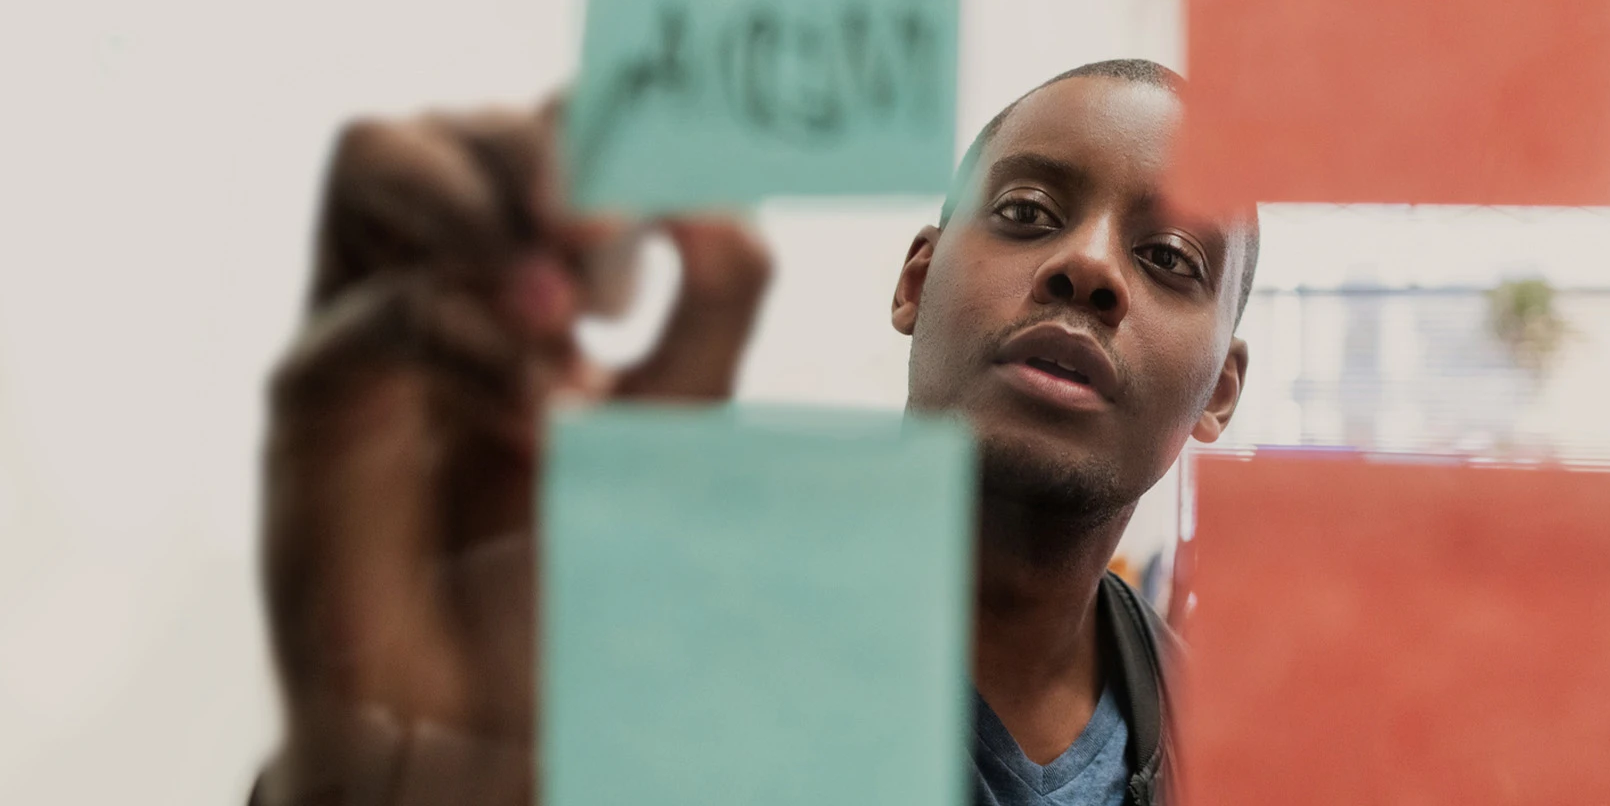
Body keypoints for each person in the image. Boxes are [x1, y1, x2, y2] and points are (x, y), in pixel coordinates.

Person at [253, 60, 1255, 806]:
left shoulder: (1222, 744)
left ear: (1222, 390)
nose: (1088, 268)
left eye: (1168, 257)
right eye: (1028, 211)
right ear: (916, 280)